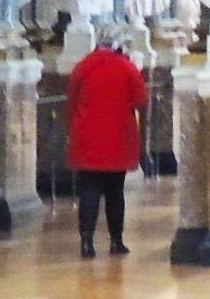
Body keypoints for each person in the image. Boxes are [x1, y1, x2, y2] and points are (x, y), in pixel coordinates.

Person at [62, 27, 148, 258]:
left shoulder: (82, 67)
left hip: (87, 136)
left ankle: (86, 243)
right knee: (115, 192)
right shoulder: (127, 67)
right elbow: (141, 101)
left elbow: (71, 104)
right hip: (118, 136)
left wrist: (74, 130)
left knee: (89, 190)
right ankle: (116, 241)